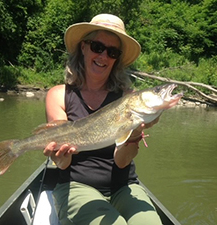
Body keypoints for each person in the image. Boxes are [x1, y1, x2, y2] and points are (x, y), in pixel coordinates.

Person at [43, 14, 162, 225]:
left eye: (112, 52)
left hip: (124, 187)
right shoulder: (58, 95)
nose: (103, 56)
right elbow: (63, 161)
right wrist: (60, 158)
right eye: (97, 46)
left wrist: (134, 133)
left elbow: (122, 161)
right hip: (76, 186)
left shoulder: (129, 99)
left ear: (117, 59)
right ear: (83, 47)